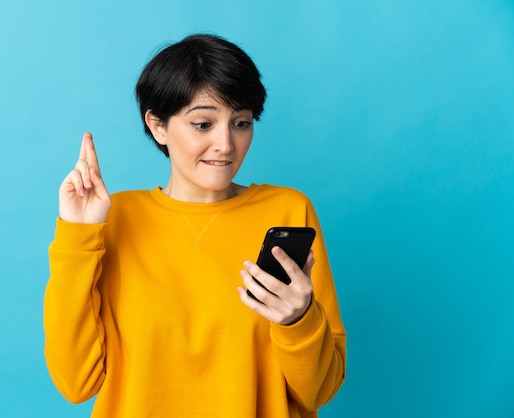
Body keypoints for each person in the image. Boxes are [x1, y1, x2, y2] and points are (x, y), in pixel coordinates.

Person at [44, 34, 346, 418]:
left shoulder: (288, 211)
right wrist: (77, 237)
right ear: (157, 126)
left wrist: (298, 321)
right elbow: (76, 383)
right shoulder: (115, 218)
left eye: (241, 123)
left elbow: (321, 391)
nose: (225, 143)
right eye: (203, 124)